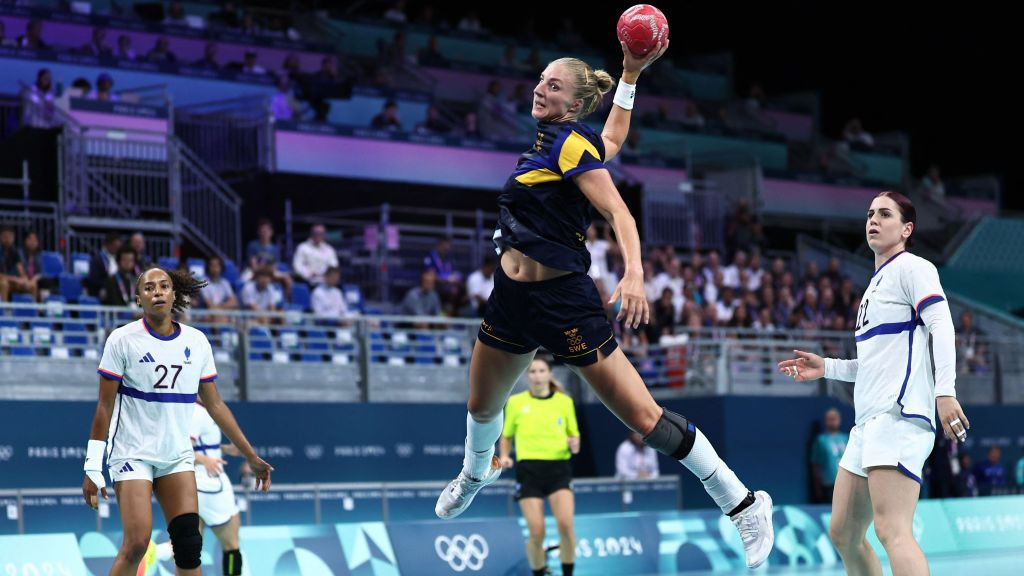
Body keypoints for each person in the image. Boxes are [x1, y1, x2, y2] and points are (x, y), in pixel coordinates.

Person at [433, 40, 775, 569]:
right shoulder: (564, 141)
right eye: (541, 80)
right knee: (481, 407)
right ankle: (476, 474)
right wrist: (631, 74)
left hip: (564, 302)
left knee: (645, 418)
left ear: (571, 104)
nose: (539, 88)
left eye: (553, 85)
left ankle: (744, 505)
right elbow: (613, 137)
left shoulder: (567, 144)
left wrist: (634, 274)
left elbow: (621, 214)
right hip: (511, 301)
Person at [778, 190, 969, 576]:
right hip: (867, 422)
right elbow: (872, 364)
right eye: (869, 214)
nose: (873, 220)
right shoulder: (874, 286)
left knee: (892, 530)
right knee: (844, 533)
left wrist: (944, 390)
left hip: (898, 416)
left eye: (884, 214)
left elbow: (941, 327)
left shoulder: (914, 268)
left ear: (906, 229)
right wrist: (828, 367)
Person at [81, 265, 272, 575]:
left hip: (176, 457)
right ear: (139, 299)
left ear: (174, 295)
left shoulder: (197, 343)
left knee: (188, 545)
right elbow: (104, 407)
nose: (157, 291)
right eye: (149, 287)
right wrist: (92, 465)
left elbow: (216, 405)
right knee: (137, 543)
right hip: (132, 453)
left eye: (164, 286)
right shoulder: (122, 340)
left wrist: (250, 455)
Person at [498, 358, 580, 576]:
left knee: (565, 526)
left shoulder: (565, 402)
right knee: (536, 532)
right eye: (532, 371)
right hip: (529, 472)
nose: (537, 375)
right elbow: (506, 436)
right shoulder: (515, 402)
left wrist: (574, 444)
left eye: (542, 370)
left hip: (559, 470)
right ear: (528, 376)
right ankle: (538, 572)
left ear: (549, 374)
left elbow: (575, 438)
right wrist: (504, 456)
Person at [810, 408, 849, 504]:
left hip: (846, 483)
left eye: (834, 419)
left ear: (839, 420)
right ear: (825, 421)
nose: (832, 422)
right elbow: (815, 464)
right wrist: (817, 487)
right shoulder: (821, 439)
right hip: (828, 484)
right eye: (829, 419)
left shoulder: (846, 438)